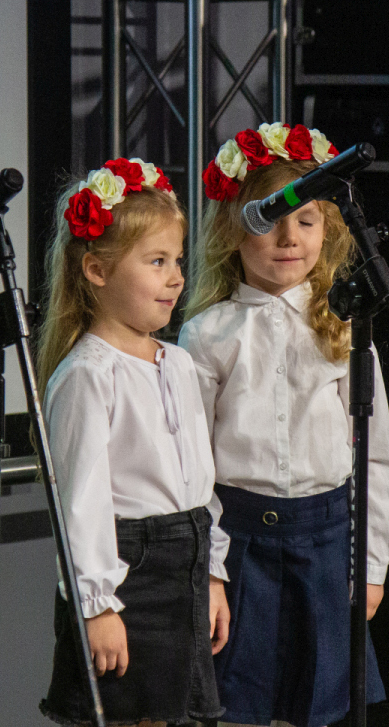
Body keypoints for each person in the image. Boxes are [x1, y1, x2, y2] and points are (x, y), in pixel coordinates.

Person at [180, 123, 389, 727]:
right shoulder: (207, 335)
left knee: (320, 709)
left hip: (327, 544)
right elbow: (194, 469)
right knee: (238, 708)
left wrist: (370, 563)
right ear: (233, 228)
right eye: (271, 219)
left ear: (328, 230)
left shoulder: (346, 325)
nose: (288, 237)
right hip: (240, 542)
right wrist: (212, 571)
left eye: (306, 220)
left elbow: (374, 455)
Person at [35, 158, 231, 726]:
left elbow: (200, 483)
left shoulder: (178, 361)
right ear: (97, 270)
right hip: (126, 576)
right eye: (156, 261)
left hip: (184, 563)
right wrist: (96, 607)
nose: (176, 278)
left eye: (177, 261)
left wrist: (212, 573)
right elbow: (81, 506)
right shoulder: (88, 373)